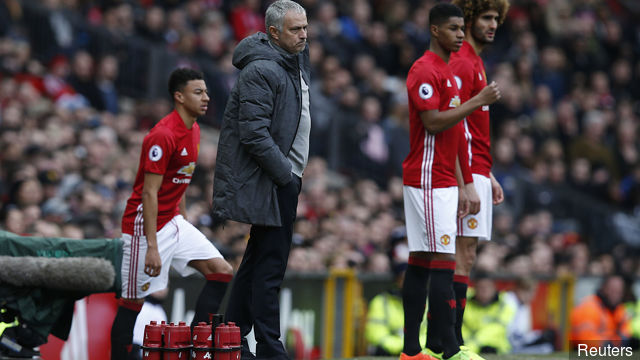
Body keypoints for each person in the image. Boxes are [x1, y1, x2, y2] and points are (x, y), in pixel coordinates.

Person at [110, 68, 233, 359]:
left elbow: (178, 179)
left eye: (206, 91)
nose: (206, 97)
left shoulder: (195, 129)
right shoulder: (162, 135)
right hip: (144, 226)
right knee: (133, 303)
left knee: (222, 271)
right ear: (179, 97)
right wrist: (152, 246)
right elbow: (148, 193)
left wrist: (184, 215)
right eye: (198, 92)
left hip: (173, 220)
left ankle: (192, 349)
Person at [401, 3, 500, 360]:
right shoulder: (424, 71)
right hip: (427, 177)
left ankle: (413, 351)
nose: (461, 34)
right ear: (434, 31)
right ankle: (450, 350)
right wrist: (477, 101)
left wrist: (467, 180)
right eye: (454, 28)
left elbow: (457, 132)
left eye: (462, 28)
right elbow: (433, 123)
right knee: (442, 260)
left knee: (425, 258)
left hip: (444, 178)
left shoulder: (445, 70)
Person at [212, 1, 310, 359]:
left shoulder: (294, 57)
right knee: (270, 267)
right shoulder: (262, 70)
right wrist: (285, 175)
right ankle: (270, 347)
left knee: (256, 262)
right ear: (273, 33)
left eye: (305, 27)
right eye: (295, 29)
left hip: (285, 177)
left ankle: (231, 336)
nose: (304, 35)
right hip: (274, 180)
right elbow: (253, 133)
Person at [448, 0, 510, 351]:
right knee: (457, 255)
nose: (493, 25)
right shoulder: (460, 62)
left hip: (477, 171)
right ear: (468, 19)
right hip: (464, 174)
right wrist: (464, 180)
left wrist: (488, 174)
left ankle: (450, 340)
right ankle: (450, 341)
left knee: (466, 255)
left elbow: (474, 131)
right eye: (485, 17)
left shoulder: (476, 62)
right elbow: (453, 126)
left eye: (496, 19)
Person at [365, 261, 427, 356]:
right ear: (396, 280)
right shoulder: (380, 301)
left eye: (413, 278)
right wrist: (403, 347)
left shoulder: (428, 302)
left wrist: (411, 347)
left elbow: (431, 334)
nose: (409, 281)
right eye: (403, 278)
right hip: (390, 352)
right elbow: (375, 333)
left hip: (418, 352)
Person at [570, 274, 632, 348]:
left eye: (619, 292)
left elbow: (625, 333)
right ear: (604, 289)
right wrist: (608, 345)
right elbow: (585, 340)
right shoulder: (589, 308)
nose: (616, 295)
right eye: (613, 290)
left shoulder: (618, 309)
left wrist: (622, 342)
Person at [461, 273, 516, 355]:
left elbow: (496, 329)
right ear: (475, 288)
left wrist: (472, 345)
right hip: (468, 349)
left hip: (497, 350)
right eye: (481, 287)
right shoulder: (465, 301)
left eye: (488, 287)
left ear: (494, 287)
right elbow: (462, 327)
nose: (484, 290)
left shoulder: (505, 303)